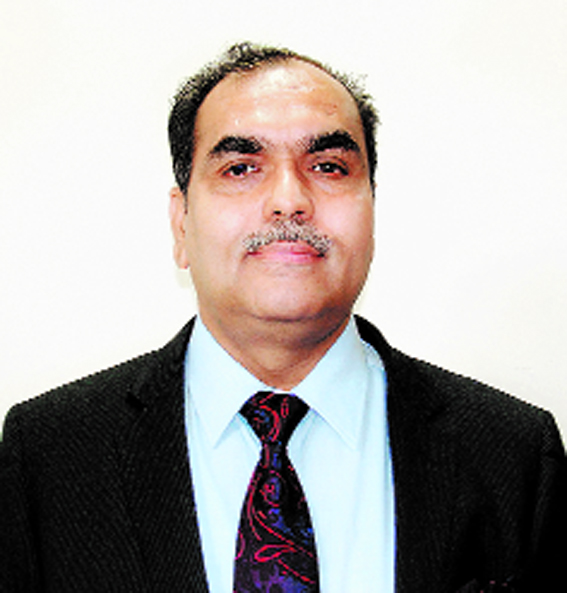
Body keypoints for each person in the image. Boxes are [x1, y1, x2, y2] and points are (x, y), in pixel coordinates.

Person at [0, 42, 565, 593]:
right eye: (242, 168)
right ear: (181, 224)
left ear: (372, 209)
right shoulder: (49, 457)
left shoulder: (513, 455)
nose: (289, 199)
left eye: (329, 167)